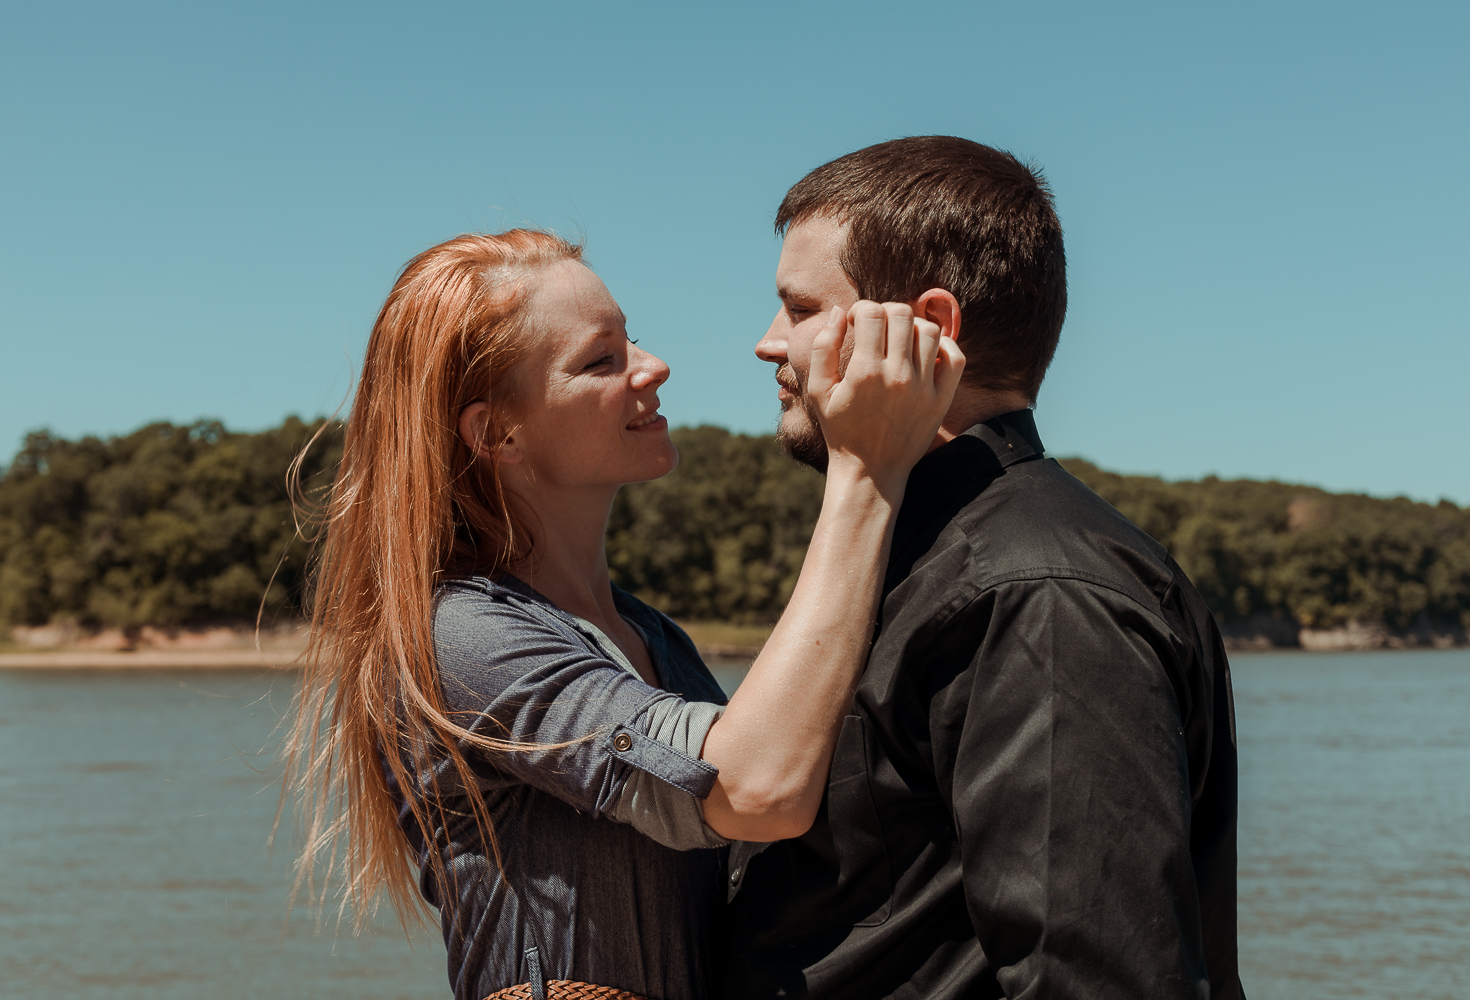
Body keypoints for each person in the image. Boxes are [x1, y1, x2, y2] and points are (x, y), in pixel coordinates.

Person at [282, 229, 963, 1000]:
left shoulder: (649, 634)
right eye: (601, 360)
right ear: (496, 434)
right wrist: (867, 471)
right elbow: (752, 789)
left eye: (630, 338)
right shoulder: (460, 636)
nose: (655, 364)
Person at [720, 136, 1244, 999]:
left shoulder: (1038, 593)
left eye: (802, 309)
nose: (769, 344)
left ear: (926, 328)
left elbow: (1093, 979)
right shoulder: (909, 554)